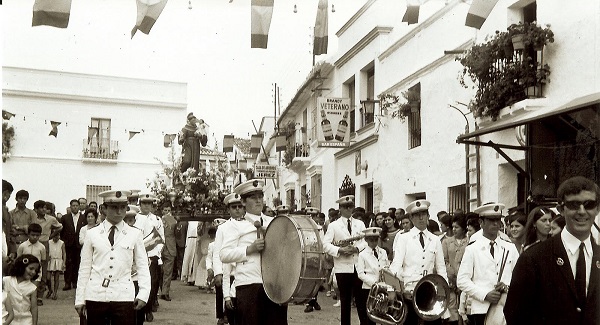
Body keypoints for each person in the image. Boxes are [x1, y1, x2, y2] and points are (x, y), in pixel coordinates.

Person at [505, 177, 600, 325]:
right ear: (561, 209)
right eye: (574, 205)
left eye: (589, 204)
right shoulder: (534, 258)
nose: (582, 211)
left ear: (597, 208)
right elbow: (515, 314)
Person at [75, 190, 150, 325]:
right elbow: (85, 267)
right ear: (104, 208)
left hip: (123, 294)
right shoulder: (92, 234)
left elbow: (142, 265)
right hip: (96, 294)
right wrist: (80, 298)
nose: (119, 211)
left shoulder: (134, 234)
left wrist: (143, 294)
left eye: (123, 207)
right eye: (114, 207)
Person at [220, 179, 287, 325]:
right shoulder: (236, 226)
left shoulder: (274, 222)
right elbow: (224, 254)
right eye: (253, 197)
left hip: (274, 284)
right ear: (243, 202)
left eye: (260, 196)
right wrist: (249, 249)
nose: (258, 200)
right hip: (249, 285)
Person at [457, 203, 519, 325]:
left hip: (505, 307)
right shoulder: (472, 249)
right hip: (481, 308)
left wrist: (507, 287)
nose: (496, 224)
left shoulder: (510, 248)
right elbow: (462, 280)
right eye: (491, 220)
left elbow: (519, 277)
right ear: (481, 221)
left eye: (498, 220)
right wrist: (484, 294)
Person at [389, 199, 447, 325]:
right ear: (411, 217)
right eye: (416, 215)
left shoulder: (435, 240)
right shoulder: (404, 239)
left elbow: (441, 268)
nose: (421, 218)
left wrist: (444, 293)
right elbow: (396, 265)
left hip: (430, 292)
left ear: (428, 216)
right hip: (409, 290)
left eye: (423, 214)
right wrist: (398, 289)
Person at [323, 195, 367, 325]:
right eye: (345, 207)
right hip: (343, 267)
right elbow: (326, 244)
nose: (348, 209)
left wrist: (356, 249)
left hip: (358, 267)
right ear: (340, 209)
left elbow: (365, 241)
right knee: (345, 302)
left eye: (350, 206)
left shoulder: (360, 224)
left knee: (361, 301)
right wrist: (340, 250)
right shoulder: (333, 225)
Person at [212, 193, 245, 325]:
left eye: (239, 206)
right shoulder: (223, 228)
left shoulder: (249, 225)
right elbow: (217, 251)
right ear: (229, 210)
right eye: (233, 207)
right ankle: (223, 316)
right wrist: (217, 272)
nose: (237, 209)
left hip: (244, 272)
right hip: (228, 272)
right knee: (229, 305)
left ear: (244, 208)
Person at [136, 193, 164, 322]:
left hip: (152, 255)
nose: (146, 206)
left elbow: (160, 239)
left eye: (149, 203)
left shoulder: (157, 219)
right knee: (138, 283)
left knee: (152, 283)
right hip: (137, 256)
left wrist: (156, 253)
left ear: (152, 205)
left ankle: (148, 309)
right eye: (144, 203)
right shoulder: (134, 217)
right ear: (140, 204)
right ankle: (139, 309)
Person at [356, 227, 389, 325]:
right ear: (366, 240)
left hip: (383, 287)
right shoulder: (362, 255)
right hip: (369, 288)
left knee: (383, 313)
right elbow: (360, 274)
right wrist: (374, 283)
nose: (374, 242)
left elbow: (387, 266)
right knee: (369, 316)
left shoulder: (383, 252)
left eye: (376, 240)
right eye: (371, 240)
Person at [442, 212, 469, 325]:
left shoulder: (469, 242)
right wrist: (451, 275)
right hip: (451, 282)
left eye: (456, 227)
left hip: (466, 281)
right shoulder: (446, 242)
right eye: (453, 227)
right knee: (452, 310)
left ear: (463, 228)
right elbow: (444, 260)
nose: (454, 229)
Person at [3, 254, 40, 325]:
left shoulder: (32, 288)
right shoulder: (6, 281)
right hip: (8, 320)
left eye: (36, 270)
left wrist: (34, 323)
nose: (33, 272)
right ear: (22, 267)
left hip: (26, 321)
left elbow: (34, 307)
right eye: (31, 268)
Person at [17, 224, 46, 307]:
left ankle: (33, 305)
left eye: (37, 235)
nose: (35, 237)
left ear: (40, 235)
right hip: (24, 273)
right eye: (33, 235)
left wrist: (40, 272)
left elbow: (43, 260)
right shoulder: (22, 246)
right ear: (28, 234)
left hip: (36, 273)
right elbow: (19, 259)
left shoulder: (42, 247)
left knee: (33, 289)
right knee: (24, 289)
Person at [61, 199, 86, 291]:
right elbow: (62, 231)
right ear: (70, 206)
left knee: (77, 263)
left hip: (79, 244)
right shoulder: (65, 218)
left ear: (79, 207)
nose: (75, 207)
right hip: (68, 244)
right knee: (68, 263)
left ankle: (75, 282)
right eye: (73, 205)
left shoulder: (84, 218)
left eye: (76, 205)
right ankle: (67, 282)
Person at [303, 207, 323, 313]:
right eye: (309, 216)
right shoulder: (303, 228)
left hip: (317, 256)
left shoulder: (319, 228)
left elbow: (322, 242)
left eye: (314, 216)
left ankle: (313, 301)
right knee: (308, 280)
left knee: (316, 281)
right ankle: (310, 303)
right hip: (307, 256)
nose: (311, 218)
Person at [160, 203, 176, 301]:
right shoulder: (157, 220)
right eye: (165, 210)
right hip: (159, 246)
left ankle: (165, 292)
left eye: (169, 210)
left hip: (170, 246)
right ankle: (158, 291)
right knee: (158, 271)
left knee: (168, 271)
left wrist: (170, 218)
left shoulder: (173, 220)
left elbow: (176, 230)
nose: (167, 212)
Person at [47, 233, 65, 300]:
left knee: (56, 278)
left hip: (58, 260)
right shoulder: (49, 242)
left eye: (58, 236)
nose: (56, 238)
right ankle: (50, 289)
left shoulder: (61, 243)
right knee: (48, 278)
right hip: (50, 260)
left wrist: (64, 262)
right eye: (55, 237)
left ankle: (55, 293)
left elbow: (64, 253)